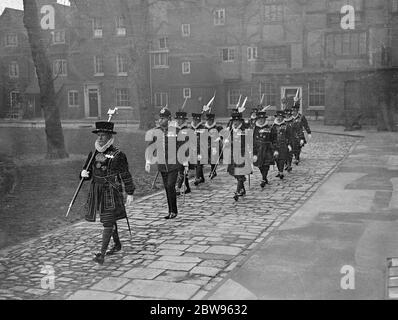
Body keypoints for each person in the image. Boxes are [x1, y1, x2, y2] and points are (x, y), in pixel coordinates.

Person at [81, 121, 135, 265]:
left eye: (103, 135)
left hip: (111, 191)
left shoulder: (118, 155)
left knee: (107, 221)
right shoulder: (93, 154)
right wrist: (83, 174)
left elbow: (125, 174)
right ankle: (117, 244)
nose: (99, 138)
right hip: (96, 191)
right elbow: (87, 172)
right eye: (98, 135)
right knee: (109, 220)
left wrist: (130, 192)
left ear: (110, 137)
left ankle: (102, 255)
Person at [146, 107, 188, 219]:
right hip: (162, 165)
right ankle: (170, 211)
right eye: (160, 118)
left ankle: (174, 211)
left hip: (173, 164)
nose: (161, 120)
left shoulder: (176, 131)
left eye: (163, 118)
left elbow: (183, 147)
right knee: (167, 188)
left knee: (170, 185)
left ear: (169, 119)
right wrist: (148, 161)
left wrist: (185, 162)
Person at [226, 110, 251, 201]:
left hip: (242, 154)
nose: (235, 123)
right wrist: (226, 141)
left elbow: (247, 142)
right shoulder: (230, 130)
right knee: (234, 173)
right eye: (234, 121)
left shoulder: (244, 130)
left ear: (240, 121)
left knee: (240, 172)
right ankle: (242, 188)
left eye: (237, 121)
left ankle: (237, 191)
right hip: (233, 154)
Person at [253, 111, 276, 188]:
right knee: (260, 165)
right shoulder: (254, 128)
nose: (261, 120)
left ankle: (263, 179)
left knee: (266, 164)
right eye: (259, 119)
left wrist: (275, 149)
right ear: (257, 119)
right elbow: (251, 139)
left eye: (262, 119)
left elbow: (274, 139)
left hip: (267, 149)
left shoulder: (269, 128)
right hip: (257, 149)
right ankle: (264, 177)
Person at [173, 111, 191, 196]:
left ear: (184, 120)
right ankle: (187, 187)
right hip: (174, 153)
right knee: (180, 171)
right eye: (178, 119)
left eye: (181, 119)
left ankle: (178, 188)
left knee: (181, 170)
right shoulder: (174, 129)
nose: (179, 121)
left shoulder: (186, 130)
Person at [271, 110, 292, 180]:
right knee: (276, 159)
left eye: (281, 117)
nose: (279, 118)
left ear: (283, 118)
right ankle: (279, 170)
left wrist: (289, 144)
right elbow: (271, 137)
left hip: (283, 145)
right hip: (275, 145)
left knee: (282, 159)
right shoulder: (273, 126)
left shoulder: (286, 126)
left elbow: (289, 136)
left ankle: (281, 172)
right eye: (278, 117)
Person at [204, 113, 223, 179]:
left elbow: (221, 136)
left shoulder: (217, 128)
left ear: (212, 121)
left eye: (210, 121)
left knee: (214, 153)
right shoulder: (204, 128)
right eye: (208, 120)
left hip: (215, 145)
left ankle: (213, 170)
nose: (209, 122)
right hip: (206, 145)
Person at [190, 113, 206, 186]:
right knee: (196, 164)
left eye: (197, 120)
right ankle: (201, 177)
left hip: (201, 150)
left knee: (198, 163)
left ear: (199, 120)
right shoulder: (191, 128)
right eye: (194, 120)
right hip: (193, 149)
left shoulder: (203, 128)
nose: (195, 122)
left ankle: (197, 178)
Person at [283, 108, 294, 173]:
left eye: (288, 115)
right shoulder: (282, 122)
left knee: (289, 153)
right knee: (283, 153)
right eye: (286, 115)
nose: (287, 116)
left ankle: (289, 164)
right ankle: (286, 164)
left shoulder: (292, 122)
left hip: (291, 139)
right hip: (283, 140)